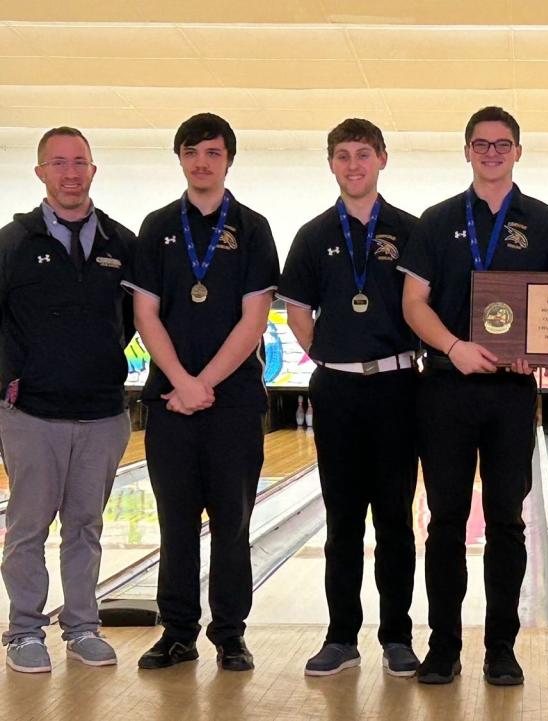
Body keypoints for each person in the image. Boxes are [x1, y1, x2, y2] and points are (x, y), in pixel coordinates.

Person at [398, 106, 548, 685]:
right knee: (444, 521)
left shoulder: (546, 222)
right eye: (481, 144)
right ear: (466, 150)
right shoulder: (435, 220)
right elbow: (413, 303)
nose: (491, 152)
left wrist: (540, 355)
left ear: (518, 151)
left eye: (502, 144)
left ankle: (501, 647)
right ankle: (443, 646)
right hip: (446, 386)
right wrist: (453, 346)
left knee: (508, 524)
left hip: (512, 393)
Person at [127, 113, 279, 672]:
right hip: (170, 402)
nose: (202, 162)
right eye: (191, 152)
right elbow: (145, 313)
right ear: (180, 159)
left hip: (233, 402)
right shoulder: (158, 225)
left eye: (212, 153)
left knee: (234, 524)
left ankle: (231, 633)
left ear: (228, 160)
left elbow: (255, 319)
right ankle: (177, 633)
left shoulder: (254, 227)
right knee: (176, 522)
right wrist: (182, 383)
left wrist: (204, 383)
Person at [278, 118, 420, 678]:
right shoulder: (314, 235)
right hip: (336, 388)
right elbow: (296, 310)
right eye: (343, 155)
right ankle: (341, 637)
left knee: (395, 519)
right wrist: (331, 359)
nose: (354, 164)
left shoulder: (411, 231)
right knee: (342, 520)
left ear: (382, 158)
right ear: (332, 163)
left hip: (396, 385)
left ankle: (397, 636)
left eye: (364, 154)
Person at [0, 127, 135, 673]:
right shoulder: (11, 243)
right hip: (32, 412)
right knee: (28, 526)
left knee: (86, 525)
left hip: (103, 411)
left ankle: (82, 626)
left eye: (79, 162)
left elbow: (133, 320)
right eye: (58, 163)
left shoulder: (121, 244)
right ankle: (24, 631)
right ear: (41, 174)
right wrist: (10, 376)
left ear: (93, 171)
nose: (71, 172)